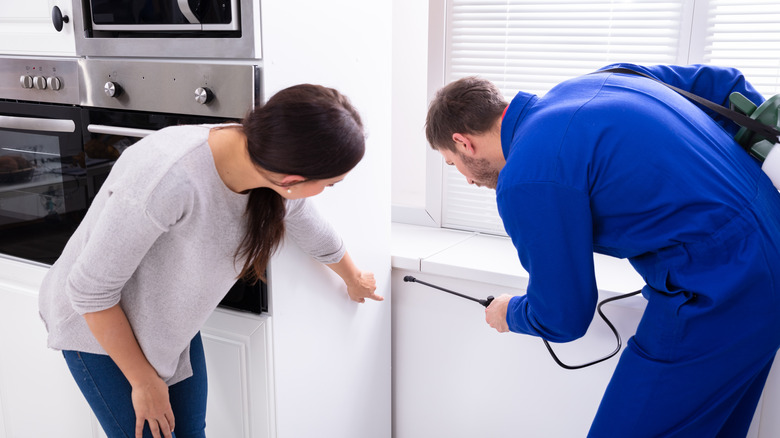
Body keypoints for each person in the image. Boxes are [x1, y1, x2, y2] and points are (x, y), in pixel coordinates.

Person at [424, 63, 780, 437]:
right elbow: (723, 84)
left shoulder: (528, 176)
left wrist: (510, 313)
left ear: (464, 142)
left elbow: (563, 317)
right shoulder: (602, 80)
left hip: (723, 288)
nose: (466, 178)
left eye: (453, 163)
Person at [38, 83, 384, 438]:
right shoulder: (170, 178)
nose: (326, 191)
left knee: (191, 432)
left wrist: (353, 276)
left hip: (165, 322)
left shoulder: (270, 167)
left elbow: (310, 225)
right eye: (330, 184)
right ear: (293, 179)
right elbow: (88, 292)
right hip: (95, 328)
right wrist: (143, 381)